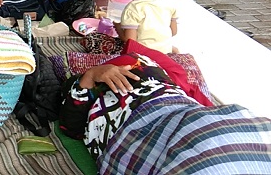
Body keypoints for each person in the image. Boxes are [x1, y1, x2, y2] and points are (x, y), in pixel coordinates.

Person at [60, 52, 271, 174]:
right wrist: (90, 76)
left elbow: (194, 103)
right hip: (149, 128)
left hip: (188, 115)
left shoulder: (150, 67)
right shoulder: (90, 91)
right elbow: (70, 126)